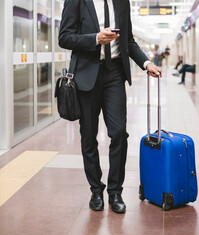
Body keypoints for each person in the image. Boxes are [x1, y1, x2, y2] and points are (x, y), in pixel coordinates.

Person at [59, 0, 161, 214]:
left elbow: (129, 41)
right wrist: (95, 39)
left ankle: (115, 191)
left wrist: (146, 63)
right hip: (86, 75)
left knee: (119, 133)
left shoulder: (123, 2)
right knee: (89, 136)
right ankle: (96, 189)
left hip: (114, 73)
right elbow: (64, 38)